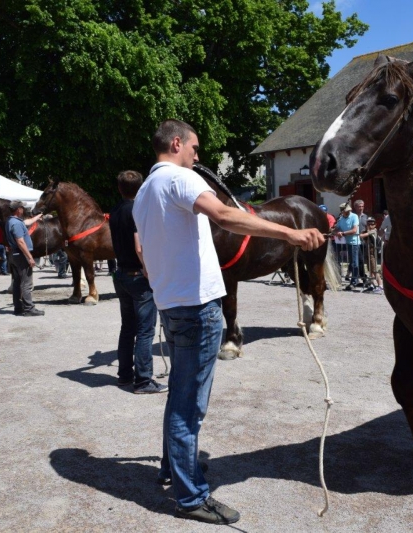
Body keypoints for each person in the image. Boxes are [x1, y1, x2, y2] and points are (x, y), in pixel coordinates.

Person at [133, 119, 323, 525]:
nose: (198, 156)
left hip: (172, 305)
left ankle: (174, 467)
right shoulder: (179, 179)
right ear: (177, 143)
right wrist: (288, 235)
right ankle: (191, 496)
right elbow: (224, 215)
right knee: (189, 407)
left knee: (179, 397)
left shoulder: (144, 192)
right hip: (196, 307)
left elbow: (146, 254)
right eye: (195, 148)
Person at [110, 170, 166, 394]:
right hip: (137, 276)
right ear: (141, 188)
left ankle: (125, 375)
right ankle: (143, 380)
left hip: (121, 274)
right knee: (144, 331)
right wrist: (148, 270)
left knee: (127, 328)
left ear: (119, 188)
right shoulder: (138, 210)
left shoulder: (114, 211)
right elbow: (139, 246)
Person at [5, 200, 44, 316]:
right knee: (26, 283)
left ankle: (18, 307)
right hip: (21, 255)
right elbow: (20, 241)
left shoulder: (11, 221)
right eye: (22, 208)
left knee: (17, 282)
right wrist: (30, 257)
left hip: (14, 254)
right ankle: (29, 308)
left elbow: (27, 222)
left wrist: (37, 216)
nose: (23, 209)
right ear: (18, 209)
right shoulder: (16, 223)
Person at [334, 203, 360, 290]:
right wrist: (336, 231)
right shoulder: (340, 219)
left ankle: (354, 281)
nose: (348, 212)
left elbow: (354, 230)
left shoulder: (354, 216)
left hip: (354, 242)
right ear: (342, 211)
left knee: (354, 263)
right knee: (350, 262)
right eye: (346, 211)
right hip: (345, 242)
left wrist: (343, 233)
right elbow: (337, 228)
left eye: (349, 211)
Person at [359, 217, 384, 293]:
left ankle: (380, 286)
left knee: (374, 270)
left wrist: (365, 232)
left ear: (375, 225)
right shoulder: (367, 230)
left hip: (373, 254)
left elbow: (361, 236)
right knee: (370, 271)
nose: (370, 225)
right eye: (368, 224)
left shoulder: (374, 231)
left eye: (372, 224)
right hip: (368, 253)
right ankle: (372, 285)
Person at [353, 199, 369, 285]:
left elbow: (369, 228)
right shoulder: (352, 216)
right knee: (357, 260)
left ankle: (360, 276)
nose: (361, 208)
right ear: (355, 207)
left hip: (363, 241)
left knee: (361, 260)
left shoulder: (365, 217)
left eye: (362, 206)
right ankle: (358, 277)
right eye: (359, 206)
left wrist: (367, 234)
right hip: (354, 241)